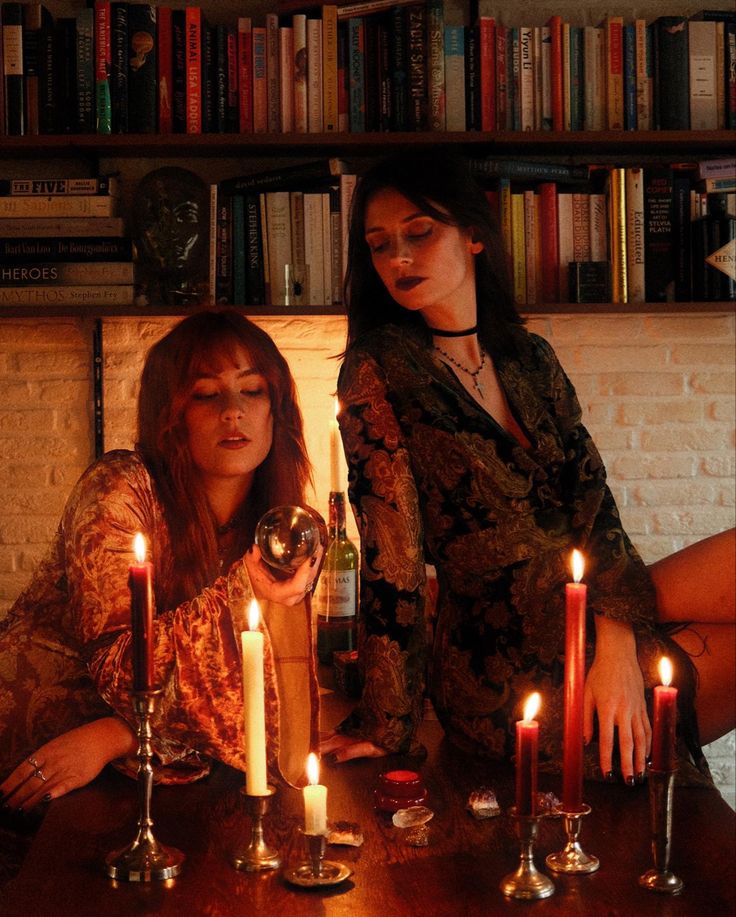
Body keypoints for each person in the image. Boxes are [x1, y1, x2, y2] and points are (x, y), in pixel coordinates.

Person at [321, 151, 735, 788]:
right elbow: (391, 557)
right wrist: (387, 720)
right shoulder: (380, 369)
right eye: (379, 246)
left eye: (419, 233)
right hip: (497, 655)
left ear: (475, 234)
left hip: (585, 602)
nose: (398, 258)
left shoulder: (527, 357)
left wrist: (616, 641)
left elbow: (595, 502)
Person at [0, 309, 324, 818]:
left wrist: (117, 736)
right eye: (205, 394)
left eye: (252, 390)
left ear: (276, 409)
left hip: (128, 766)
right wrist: (242, 592)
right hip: (35, 753)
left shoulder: (277, 528)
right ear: (171, 415)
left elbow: (256, 706)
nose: (233, 411)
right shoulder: (120, 489)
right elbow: (118, 667)